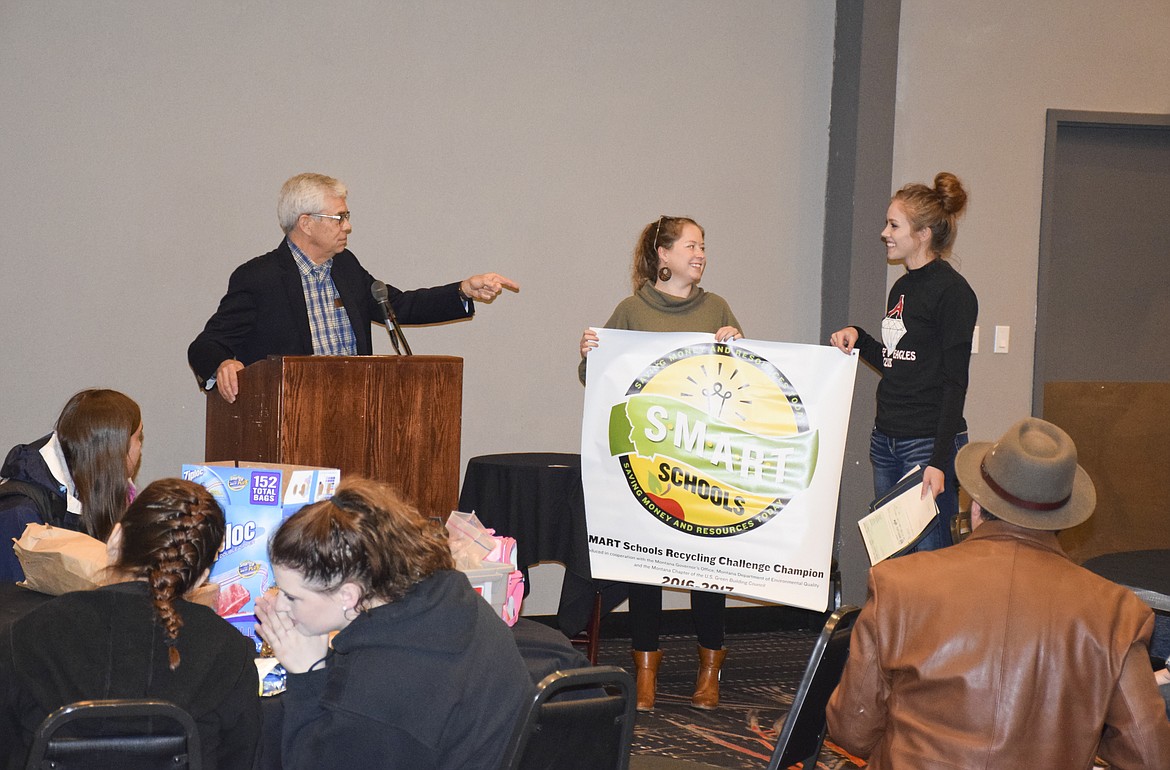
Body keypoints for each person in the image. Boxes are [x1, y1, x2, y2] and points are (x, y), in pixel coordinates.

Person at [826, 417, 1170, 768]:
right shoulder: (1116, 615)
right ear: (1063, 518)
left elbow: (852, 729)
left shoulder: (897, 585)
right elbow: (1149, 756)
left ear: (975, 506)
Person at [254, 478, 533, 770]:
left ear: (348, 595)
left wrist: (306, 675)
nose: (281, 606)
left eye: (291, 597)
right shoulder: (456, 602)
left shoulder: (375, 693)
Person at [578, 215, 742, 711]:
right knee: (647, 569)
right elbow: (597, 375)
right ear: (663, 255)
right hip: (648, 465)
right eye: (691, 245)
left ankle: (709, 671)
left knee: (707, 569)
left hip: (703, 462)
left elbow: (741, 385)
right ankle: (645, 674)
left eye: (704, 246)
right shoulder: (632, 310)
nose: (701, 254)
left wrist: (738, 347)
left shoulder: (716, 308)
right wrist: (589, 353)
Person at [188, 172, 520, 403]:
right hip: (289, 425)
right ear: (306, 222)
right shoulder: (259, 278)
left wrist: (462, 290)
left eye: (347, 216)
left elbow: (400, 306)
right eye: (339, 217)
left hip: (357, 415)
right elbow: (206, 344)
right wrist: (222, 364)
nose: (348, 226)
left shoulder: (346, 268)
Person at [0, 478, 261, 769]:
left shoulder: (26, 636)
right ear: (202, 578)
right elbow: (242, 759)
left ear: (114, 541)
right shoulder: (230, 653)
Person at [829, 172, 977, 553]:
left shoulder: (953, 293)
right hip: (886, 441)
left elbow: (954, 383)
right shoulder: (902, 287)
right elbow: (899, 361)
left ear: (923, 233)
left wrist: (939, 460)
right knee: (893, 560)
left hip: (926, 446)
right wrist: (860, 338)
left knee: (931, 567)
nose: (885, 233)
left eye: (894, 225)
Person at [0, 388, 144, 582]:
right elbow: (16, 607)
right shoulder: (19, 513)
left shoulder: (88, 490)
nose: (140, 449)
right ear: (115, 450)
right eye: (138, 438)